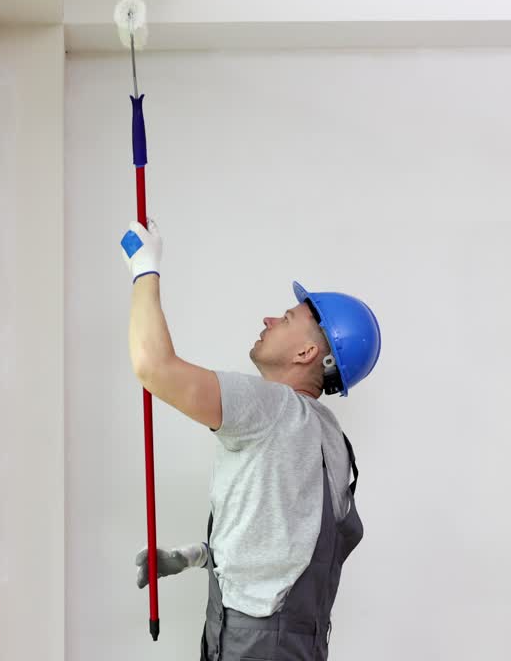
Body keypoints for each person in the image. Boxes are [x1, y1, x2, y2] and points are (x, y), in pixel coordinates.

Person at [120, 219, 381, 661]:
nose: (269, 318)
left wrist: (145, 270)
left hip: (251, 648)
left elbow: (153, 366)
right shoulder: (332, 440)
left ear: (307, 353)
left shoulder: (271, 407)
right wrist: (198, 557)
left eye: (287, 318)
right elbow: (283, 549)